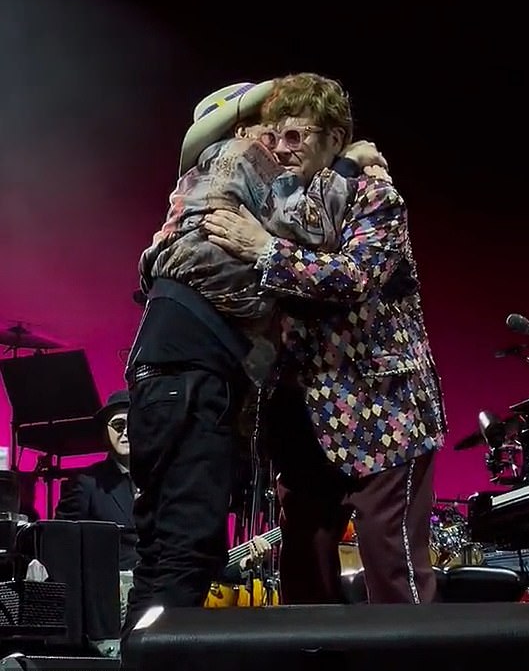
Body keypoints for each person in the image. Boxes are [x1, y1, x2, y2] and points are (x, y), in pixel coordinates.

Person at [123, 79, 384, 636]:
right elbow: (315, 228)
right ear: (241, 125)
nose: (282, 139)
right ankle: (159, 668)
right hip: (191, 368)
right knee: (187, 545)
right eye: (273, 123)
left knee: (167, 544)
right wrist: (346, 165)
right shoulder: (243, 154)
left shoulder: (216, 168)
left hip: (176, 366)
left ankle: (139, 659)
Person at [205, 72, 448, 605]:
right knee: (304, 564)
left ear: (335, 138)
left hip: (382, 409)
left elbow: (355, 277)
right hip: (301, 411)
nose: (283, 149)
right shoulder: (272, 201)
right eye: (275, 136)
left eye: (298, 136)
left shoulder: (374, 193)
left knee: (391, 563)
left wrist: (265, 251)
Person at [56, 390, 138, 571]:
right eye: (118, 425)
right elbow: (60, 540)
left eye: (132, 424)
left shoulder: (162, 479)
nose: (126, 432)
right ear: (104, 434)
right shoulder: (86, 483)